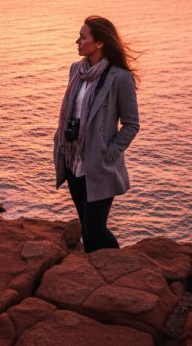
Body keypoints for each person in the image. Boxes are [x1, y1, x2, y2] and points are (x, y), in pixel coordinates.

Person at [53, 15, 140, 252]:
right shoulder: (75, 70)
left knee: (95, 228)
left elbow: (132, 124)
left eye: (83, 37)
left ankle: (119, 266)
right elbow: (72, 111)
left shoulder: (120, 78)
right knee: (85, 225)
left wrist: (108, 152)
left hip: (98, 164)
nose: (77, 41)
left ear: (99, 42)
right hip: (72, 161)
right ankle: (97, 274)